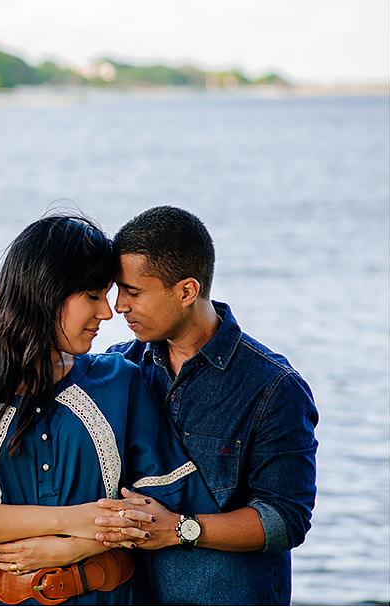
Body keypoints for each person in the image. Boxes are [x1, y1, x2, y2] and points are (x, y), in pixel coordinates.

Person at [0, 214, 219, 605]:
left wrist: (74, 548)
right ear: (46, 293)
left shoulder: (120, 383)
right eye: (93, 297)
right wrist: (72, 520)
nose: (108, 313)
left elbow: (165, 508)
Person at [95, 205, 318, 605]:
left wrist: (180, 529)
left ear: (186, 292)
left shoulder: (273, 387)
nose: (119, 306)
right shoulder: (118, 368)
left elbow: (286, 520)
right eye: (117, 290)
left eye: (133, 291)